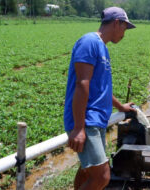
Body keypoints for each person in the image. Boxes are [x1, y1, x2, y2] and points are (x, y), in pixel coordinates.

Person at [64, 7, 136, 190]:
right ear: (116, 22)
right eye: (124, 28)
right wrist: (79, 128)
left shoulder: (102, 48)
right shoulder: (89, 42)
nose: (125, 33)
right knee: (102, 176)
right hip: (87, 121)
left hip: (97, 120)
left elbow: (101, 88)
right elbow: (82, 84)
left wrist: (120, 106)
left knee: (88, 171)